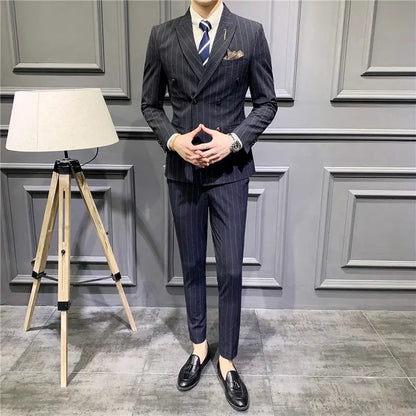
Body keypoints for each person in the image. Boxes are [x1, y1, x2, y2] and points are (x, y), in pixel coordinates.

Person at [141, 0, 277, 411]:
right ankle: (199, 347)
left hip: (230, 172)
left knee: (231, 268)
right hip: (183, 172)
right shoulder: (162, 35)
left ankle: (227, 359)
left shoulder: (249, 32)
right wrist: (173, 141)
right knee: (192, 265)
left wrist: (232, 141)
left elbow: (267, 103)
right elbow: (150, 104)